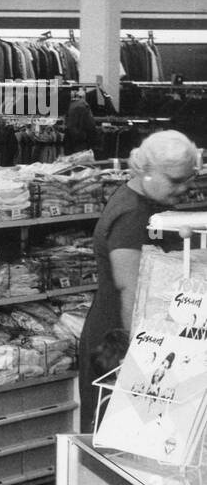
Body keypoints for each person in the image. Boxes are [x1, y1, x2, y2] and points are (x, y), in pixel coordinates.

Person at [79, 129, 200, 428]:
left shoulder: (142, 200)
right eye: (175, 180)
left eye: (189, 178)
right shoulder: (133, 216)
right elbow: (130, 290)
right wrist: (144, 357)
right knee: (117, 436)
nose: (185, 188)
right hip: (119, 341)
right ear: (146, 171)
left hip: (121, 336)